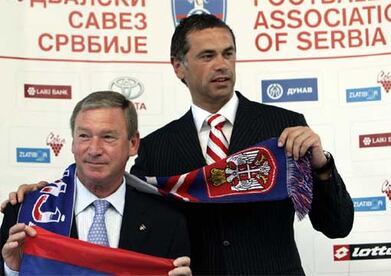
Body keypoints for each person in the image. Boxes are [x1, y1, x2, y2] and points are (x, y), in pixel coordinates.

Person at [3, 14, 353, 275]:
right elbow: (123, 207)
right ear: (178, 67)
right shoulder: (156, 148)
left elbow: (337, 226)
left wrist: (322, 167)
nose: (221, 65)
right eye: (207, 56)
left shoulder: (282, 127)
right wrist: (44, 195)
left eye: (228, 54)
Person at [0, 91, 191, 275]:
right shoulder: (24, 212)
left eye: (108, 137)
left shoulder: (168, 221)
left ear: (133, 144)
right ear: (73, 142)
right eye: (84, 136)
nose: (94, 150)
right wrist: (13, 270)